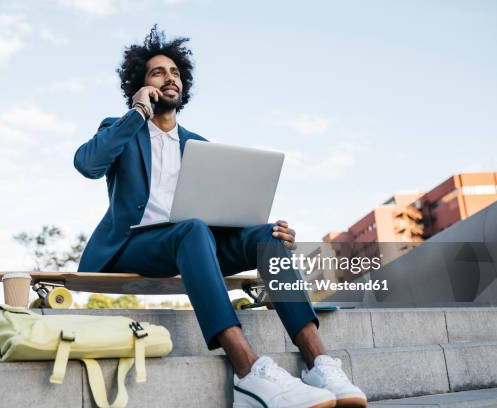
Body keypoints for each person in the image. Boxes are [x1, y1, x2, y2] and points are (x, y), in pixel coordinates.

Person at [74, 25, 367, 408]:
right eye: (157, 73)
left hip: (194, 244)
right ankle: (248, 371)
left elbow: (225, 214)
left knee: (266, 237)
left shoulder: (199, 146)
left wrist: (275, 236)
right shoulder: (120, 129)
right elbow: (87, 164)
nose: (169, 78)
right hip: (133, 246)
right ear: (140, 84)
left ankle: (319, 363)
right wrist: (137, 112)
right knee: (192, 229)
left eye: (175, 72)